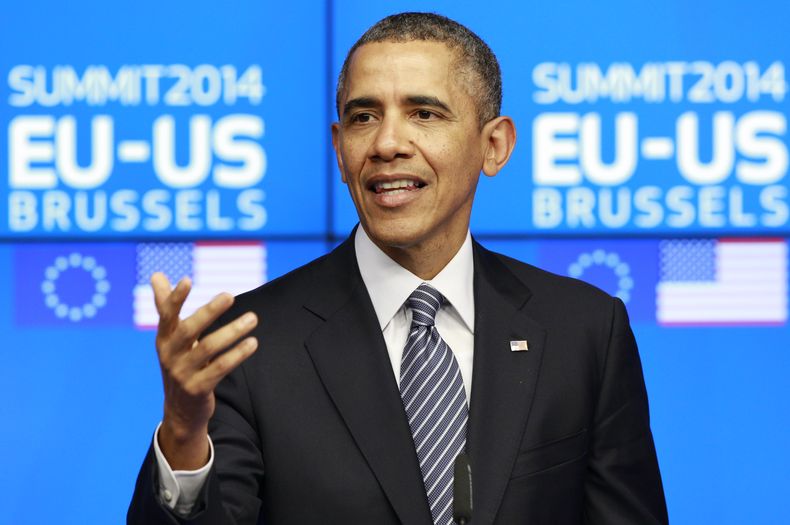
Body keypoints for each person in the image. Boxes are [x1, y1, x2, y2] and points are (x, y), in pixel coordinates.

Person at [128, 12, 668, 525]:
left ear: (494, 145)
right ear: (340, 150)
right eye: (364, 117)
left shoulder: (585, 330)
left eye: (424, 114)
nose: (387, 143)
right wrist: (181, 435)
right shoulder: (247, 343)